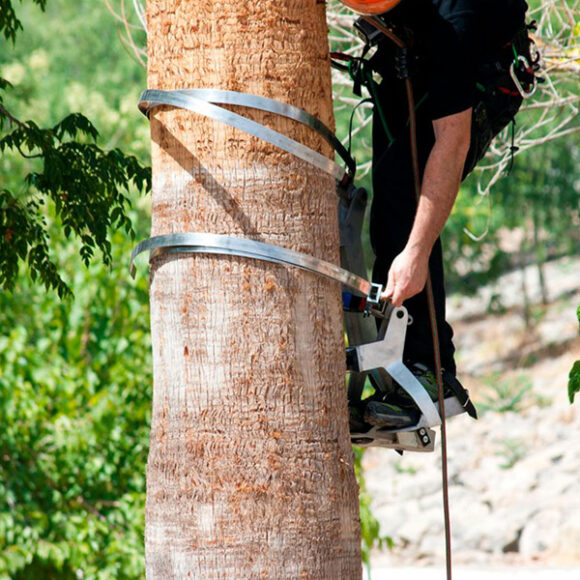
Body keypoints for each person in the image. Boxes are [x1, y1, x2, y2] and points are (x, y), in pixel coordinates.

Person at [345, 0, 529, 427]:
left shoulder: (456, 19)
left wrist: (416, 253)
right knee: (389, 205)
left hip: (481, 72)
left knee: (405, 202)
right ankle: (394, 364)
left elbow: (453, 141)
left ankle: (433, 372)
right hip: (406, 49)